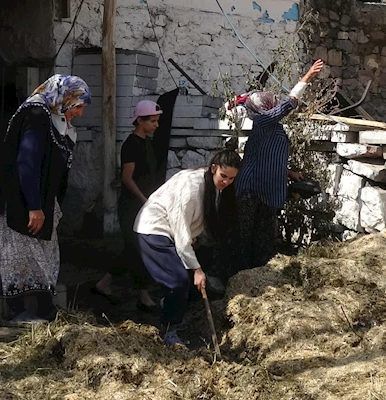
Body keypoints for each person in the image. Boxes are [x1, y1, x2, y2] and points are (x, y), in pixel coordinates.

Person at [0, 74, 91, 323]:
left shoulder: (53, 118)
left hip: (40, 201)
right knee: (19, 254)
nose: (79, 113)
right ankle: (16, 310)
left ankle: (46, 308)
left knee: (44, 255)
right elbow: (28, 161)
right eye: (78, 106)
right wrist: (34, 206)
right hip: (20, 200)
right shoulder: (36, 114)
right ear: (66, 98)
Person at [134, 149, 243, 346]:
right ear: (213, 168)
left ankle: (173, 307)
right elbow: (181, 232)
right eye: (223, 176)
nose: (226, 182)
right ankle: (169, 330)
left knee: (189, 282)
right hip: (154, 228)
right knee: (178, 282)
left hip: (174, 231)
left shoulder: (213, 184)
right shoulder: (191, 188)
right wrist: (197, 270)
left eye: (231, 178)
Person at [234, 59, 324, 270]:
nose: (275, 103)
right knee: (245, 236)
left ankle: (259, 272)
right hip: (251, 190)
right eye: (271, 102)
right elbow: (287, 105)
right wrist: (307, 77)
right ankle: (239, 274)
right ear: (263, 108)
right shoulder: (263, 122)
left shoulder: (273, 128)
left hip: (266, 190)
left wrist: (289, 173)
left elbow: (267, 157)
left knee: (264, 236)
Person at [92, 100, 164, 310]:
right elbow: (127, 178)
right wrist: (143, 199)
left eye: (157, 121)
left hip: (145, 205)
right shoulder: (131, 145)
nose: (156, 125)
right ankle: (143, 294)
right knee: (136, 246)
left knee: (134, 247)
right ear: (140, 121)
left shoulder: (147, 143)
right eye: (152, 121)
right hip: (132, 205)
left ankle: (105, 283)